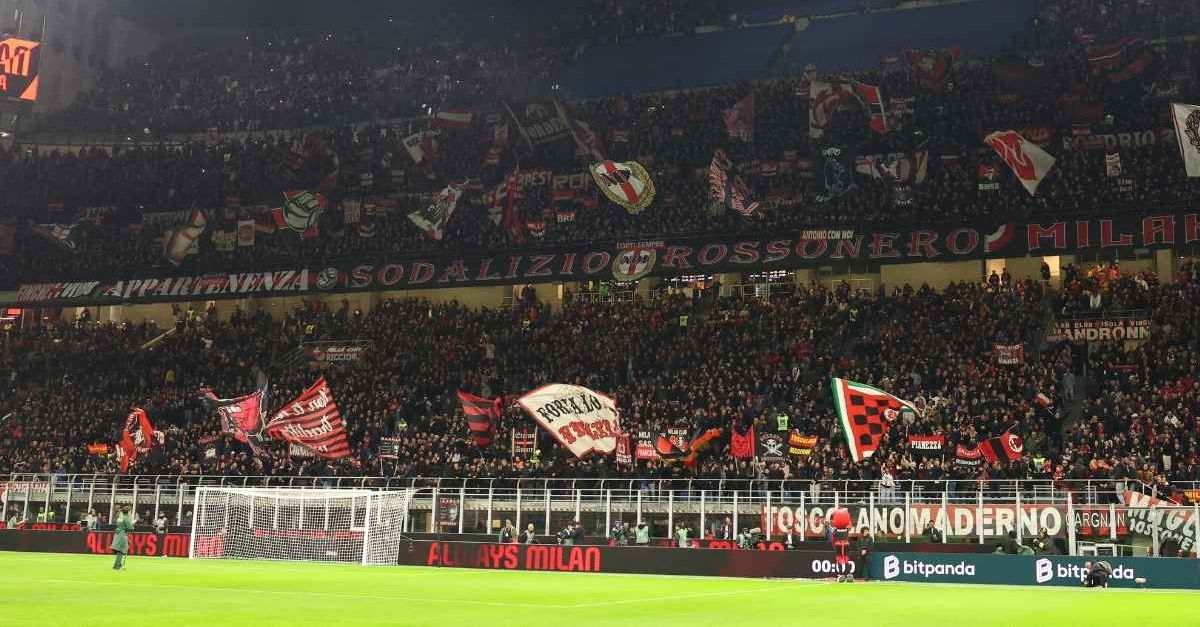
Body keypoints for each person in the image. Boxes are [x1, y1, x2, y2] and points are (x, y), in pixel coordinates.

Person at [112, 507, 134, 571]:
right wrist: (132, 525)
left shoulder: (120, 518)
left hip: (117, 534)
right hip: (122, 535)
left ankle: (116, 565)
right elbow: (130, 528)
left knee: (119, 551)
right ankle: (118, 566)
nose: (131, 513)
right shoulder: (126, 518)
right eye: (130, 512)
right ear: (128, 512)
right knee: (121, 551)